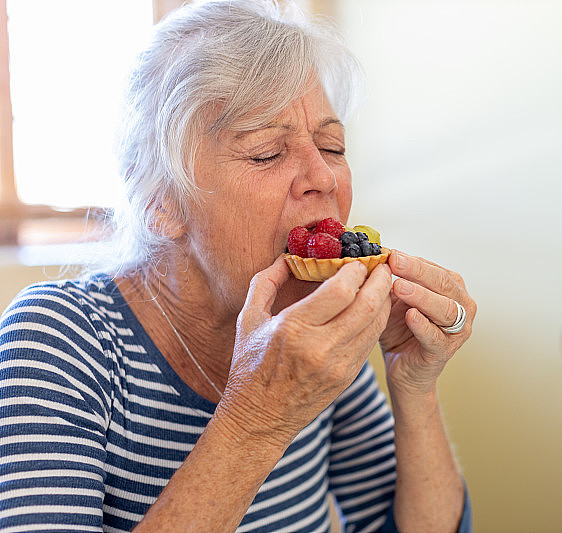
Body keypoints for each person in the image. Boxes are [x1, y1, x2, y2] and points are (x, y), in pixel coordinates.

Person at [0, 1, 475, 531]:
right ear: (162, 202)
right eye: (267, 153)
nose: (322, 176)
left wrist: (414, 387)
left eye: (332, 145)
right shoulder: (57, 340)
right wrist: (259, 417)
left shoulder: (313, 330)